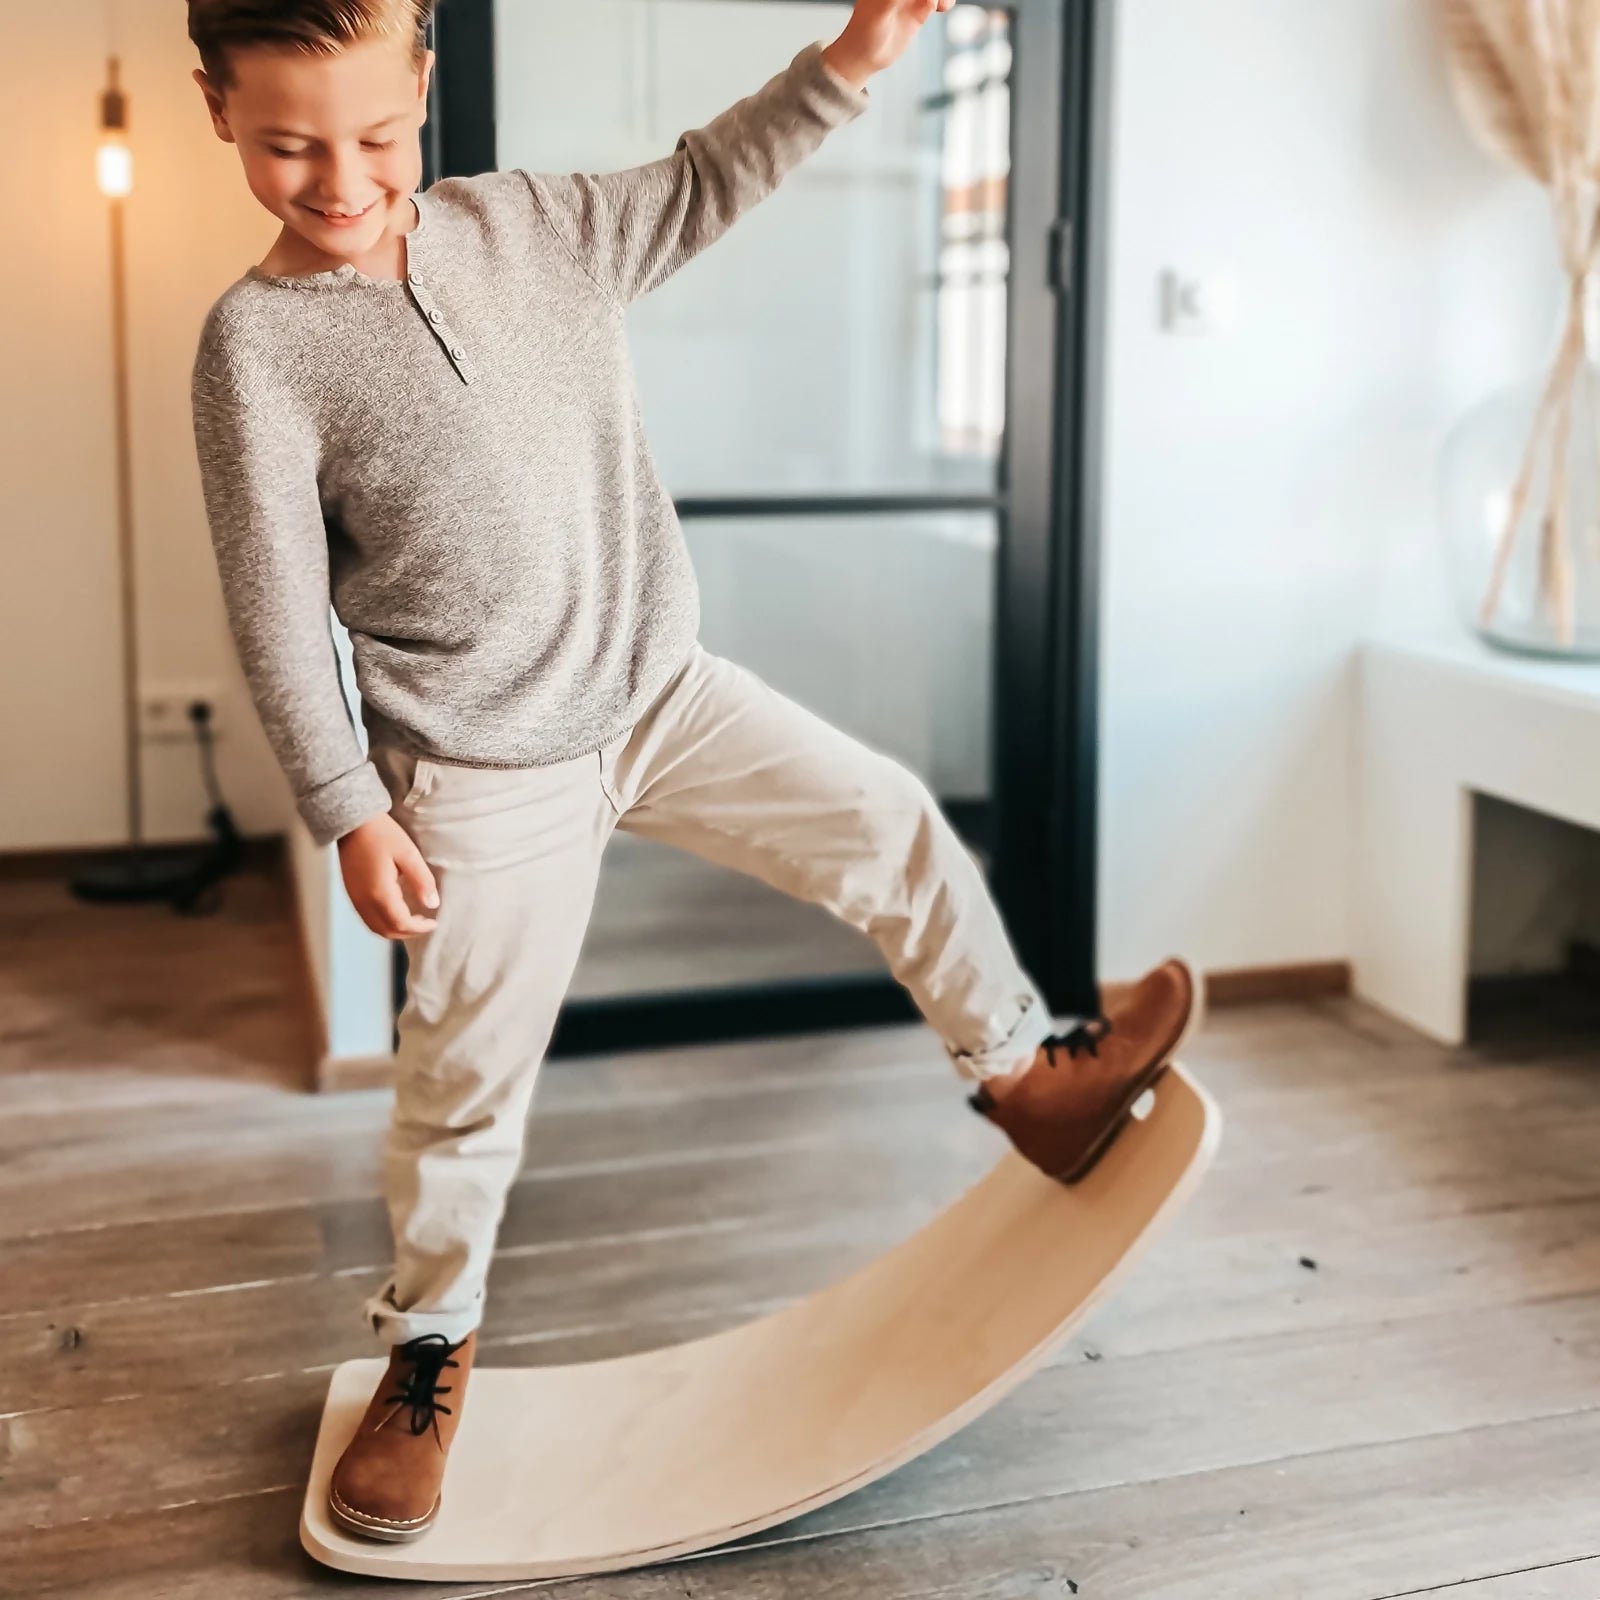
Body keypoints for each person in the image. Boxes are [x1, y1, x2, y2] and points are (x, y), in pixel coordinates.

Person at [186, 0, 1199, 1544]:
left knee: (889, 822)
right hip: (477, 769)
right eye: (287, 147)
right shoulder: (255, 347)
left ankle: (1025, 1077)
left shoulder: (533, 228)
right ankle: (428, 1355)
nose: (340, 181)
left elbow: (710, 177)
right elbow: (271, 603)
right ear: (217, 111)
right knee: (462, 1089)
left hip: (663, 692)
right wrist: (348, 806)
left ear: (424, 88)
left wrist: (852, 60)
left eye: (377, 137)